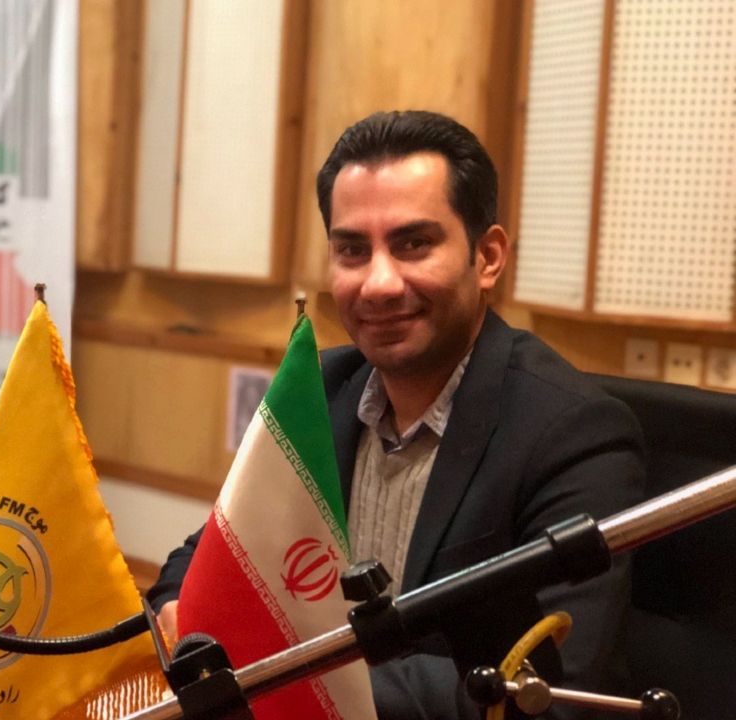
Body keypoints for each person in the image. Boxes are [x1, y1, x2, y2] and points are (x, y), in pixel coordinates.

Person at [146, 110, 645, 719]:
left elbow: (554, 684)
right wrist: (188, 616)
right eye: (353, 250)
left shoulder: (574, 433)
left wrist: (284, 681)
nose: (378, 283)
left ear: (487, 257)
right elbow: (204, 554)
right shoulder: (320, 390)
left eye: (413, 244)